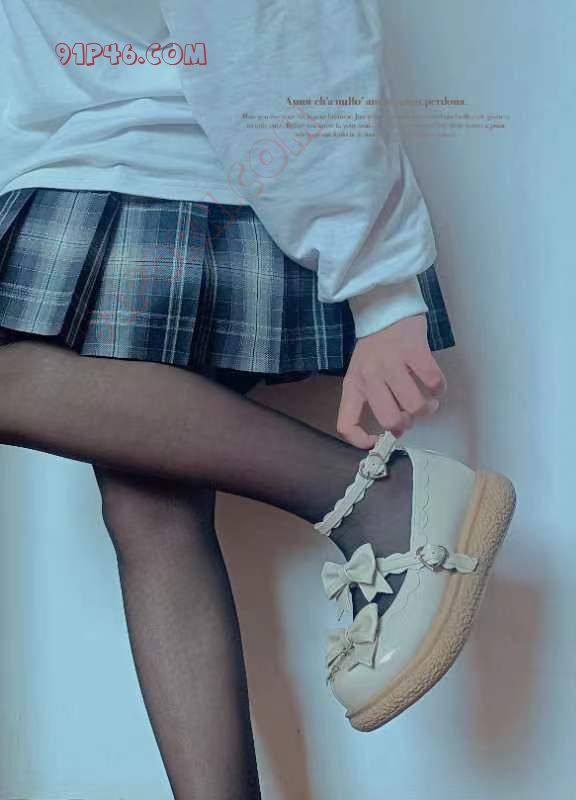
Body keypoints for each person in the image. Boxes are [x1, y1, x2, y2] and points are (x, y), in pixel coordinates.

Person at [0, 1, 516, 798]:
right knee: (150, 508)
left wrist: (382, 284)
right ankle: (377, 501)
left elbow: (286, 24)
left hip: (195, 177)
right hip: (71, 173)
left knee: (151, 512)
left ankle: (379, 497)